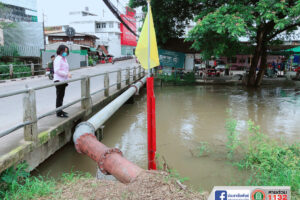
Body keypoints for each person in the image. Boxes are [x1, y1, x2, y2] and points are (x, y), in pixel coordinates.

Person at [54, 45, 72, 118]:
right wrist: (66, 74)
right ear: (60, 51)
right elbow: (57, 70)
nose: (65, 52)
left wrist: (67, 75)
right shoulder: (58, 59)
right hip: (59, 80)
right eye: (64, 51)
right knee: (59, 97)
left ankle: (60, 110)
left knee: (61, 97)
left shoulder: (64, 58)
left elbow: (65, 68)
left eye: (66, 51)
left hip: (63, 80)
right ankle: (58, 112)